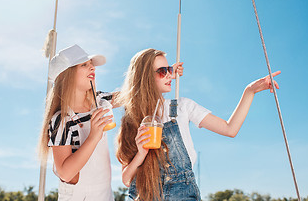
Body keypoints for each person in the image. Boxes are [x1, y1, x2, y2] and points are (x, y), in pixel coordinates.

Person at [116, 48, 280, 201]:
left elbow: (230, 129)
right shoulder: (131, 120)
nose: (169, 75)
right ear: (145, 77)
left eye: (170, 70)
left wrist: (249, 91)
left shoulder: (182, 106)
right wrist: (141, 153)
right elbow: (126, 179)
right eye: (162, 71)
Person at [38, 44, 116, 200]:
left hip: (105, 194)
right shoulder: (61, 120)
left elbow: (133, 95)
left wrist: (166, 73)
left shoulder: (99, 101)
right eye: (84, 65)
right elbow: (66, 173)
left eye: (91, 64)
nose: (92, 68)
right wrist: (94, 136)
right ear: (66, 75)